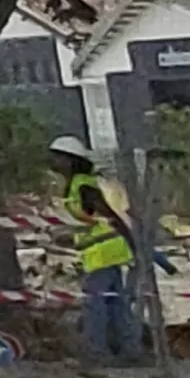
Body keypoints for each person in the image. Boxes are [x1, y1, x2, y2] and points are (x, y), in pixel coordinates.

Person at [51, 134, 140, 362]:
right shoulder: (78, 185)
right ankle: (127, 350)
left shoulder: (84, 186)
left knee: (96, 303)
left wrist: (132, 242)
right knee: (115, 302)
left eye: (58, 157)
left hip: (104, 250)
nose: (53, 162)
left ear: (71, 160)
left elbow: (107, 217)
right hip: (102, 249)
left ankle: (97, 351)